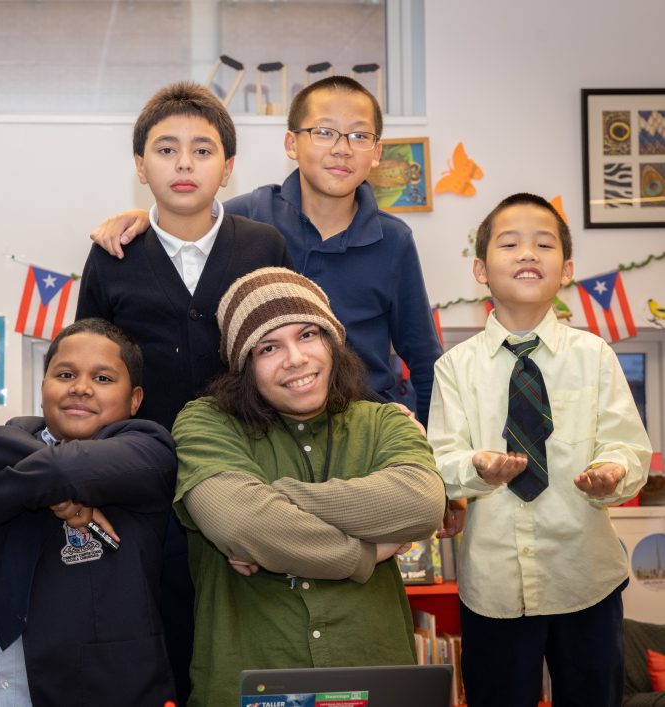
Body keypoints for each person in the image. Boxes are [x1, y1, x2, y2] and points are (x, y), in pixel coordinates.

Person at [75, 80, 291, 700]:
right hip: (141, 472)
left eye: (203, 150)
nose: (185, 163)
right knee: (151, 624)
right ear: (141, 168)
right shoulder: (114, 254)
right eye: (166, 150)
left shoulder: (263, 246)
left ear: (227, 168)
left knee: (234, 625)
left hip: (242, 466)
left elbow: (283, 354)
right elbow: (90, 365)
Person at [90, 75, 442, 428]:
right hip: (259, 423)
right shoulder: (253, 219)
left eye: (359, 136)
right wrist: (142, 222)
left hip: (360, 416)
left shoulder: (393, 240)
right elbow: (192, 214)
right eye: (323, 132)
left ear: (377, 151)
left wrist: (426, 438)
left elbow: (425, 358)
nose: (341, 148)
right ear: (292, 143)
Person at [173, 266, 446, 707]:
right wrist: (365, 552)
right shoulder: (206, 422)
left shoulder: (385, 421)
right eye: (268, 347)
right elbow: (240, 520)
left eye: (307, 335)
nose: (296, 359)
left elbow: (422, 504)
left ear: (332, 343)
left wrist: (271, 500)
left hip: (373, 678)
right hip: (249, 679)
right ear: (243, 364)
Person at [427, 193, 652, 707]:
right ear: (481, 269)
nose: (528, 253)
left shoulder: (594, 356)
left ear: (566, 269)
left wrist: (613, 471)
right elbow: (441, 461)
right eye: (510, 244)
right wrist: (477, 468)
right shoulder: (455, 367)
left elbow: (627, 444)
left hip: (584, 579)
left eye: (543, 244)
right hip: (494, 588)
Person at [0, 318, 177, 706]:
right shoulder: (17, 435)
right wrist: (52, 479)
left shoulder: (148, 450)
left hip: (98, 686)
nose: (81, 387)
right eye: (65, 374)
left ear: (134, 399)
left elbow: (63, 469)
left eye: (103, 379)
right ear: (43, 387)